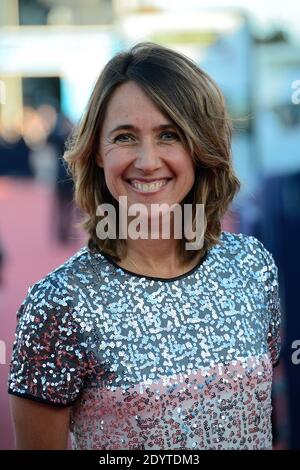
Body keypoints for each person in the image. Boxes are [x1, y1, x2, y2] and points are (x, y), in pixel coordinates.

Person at [7, 42, 281, 450]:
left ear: (199, 148)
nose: (148, 161)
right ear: (98, 153)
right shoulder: (60, 303)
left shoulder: (252, 266)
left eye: (169, 134)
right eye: (125, 137)